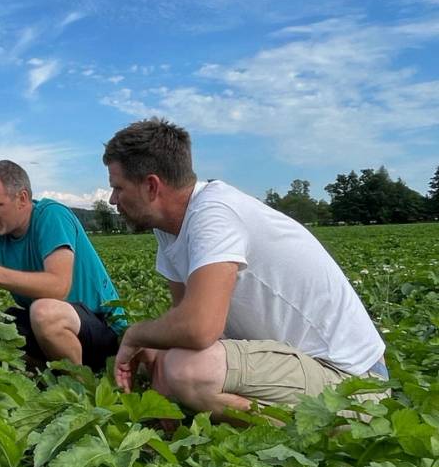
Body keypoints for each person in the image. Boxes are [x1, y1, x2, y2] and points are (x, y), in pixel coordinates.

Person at [103, 117, 387, 421]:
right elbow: (183, 321)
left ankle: (309, 435)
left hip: (353, 383)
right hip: (297, 362)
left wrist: (137, 335)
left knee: (185, 370)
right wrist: (158, 352)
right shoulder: (169, 228)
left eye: (118, 188)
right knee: (166, 360)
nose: (113, 200)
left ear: (151, 186)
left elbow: (198, 328)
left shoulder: (215, 213)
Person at [0, 160, 126, 371]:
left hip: (101, 327)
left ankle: (79, 386)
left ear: (22, 198)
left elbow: (59, 286)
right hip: (45, 331)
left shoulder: (51, 215)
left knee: (43, 311)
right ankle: (45, 376)